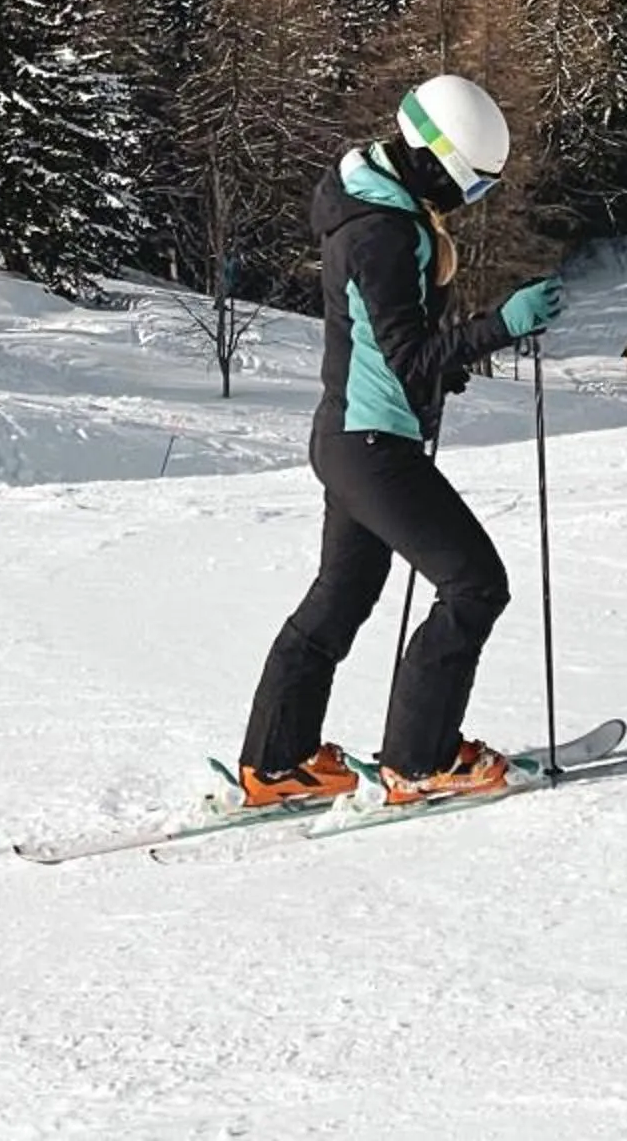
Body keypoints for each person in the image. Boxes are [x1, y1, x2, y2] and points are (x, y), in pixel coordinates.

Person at [234, 74, 565, 809]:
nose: (465, 204)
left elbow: (391, 353)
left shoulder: (377, 210)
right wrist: (503, 324)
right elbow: (408, 353)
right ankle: (421, 760)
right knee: (475, 583)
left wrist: (436, 378)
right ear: (435, 159)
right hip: (371, 444)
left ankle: (276, 765)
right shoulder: (385, 231)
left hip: (355, 435)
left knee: (341, 598)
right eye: (468, 187)